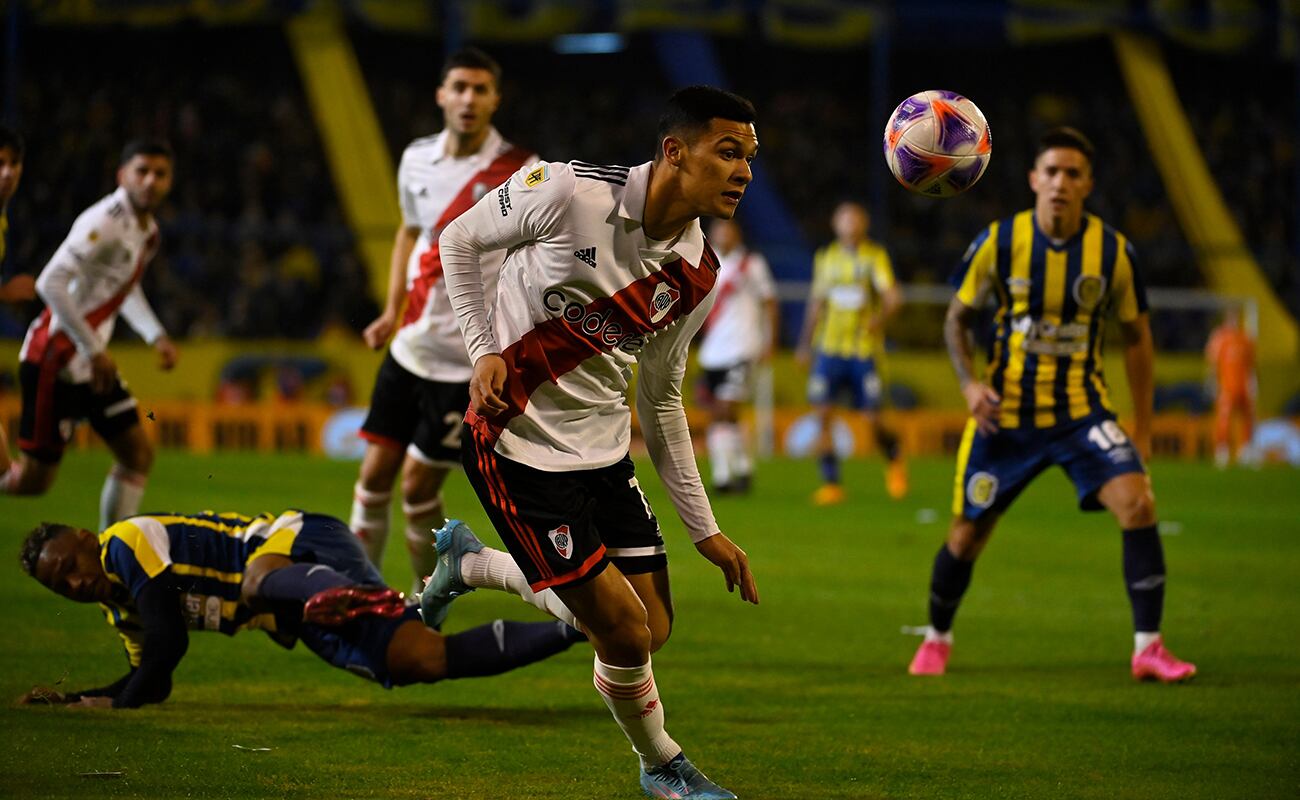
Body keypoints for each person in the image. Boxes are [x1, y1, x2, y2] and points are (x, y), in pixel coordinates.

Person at [436, 85, 761, 800]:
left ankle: (475, 565)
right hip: (515, 448)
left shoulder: (697, 272)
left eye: (750, 158)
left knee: (652, 628)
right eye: (728, 152)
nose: (743, 172)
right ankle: (662, 765)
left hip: (606, 455)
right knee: (622, 631)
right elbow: (458, 240)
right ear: (675, 152)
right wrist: (484, 349)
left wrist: (705, 529)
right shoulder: (566, 190)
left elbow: (662, 396)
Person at [907, 127, 1196, 683]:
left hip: (1082, 415)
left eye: (1073, 173)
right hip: (1005, 419)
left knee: (1138, 504)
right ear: (1034, 179)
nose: (1061, 182)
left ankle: (1149, 649)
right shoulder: (999, 241)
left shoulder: (1112, 252)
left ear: (1088, 185)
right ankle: (937, 637)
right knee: (966, 536)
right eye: (1052, 172)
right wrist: (969, 385)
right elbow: (956, 319)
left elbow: (1138, 338)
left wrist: (1142, 424)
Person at [17, 509, 583, 709]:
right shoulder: (123, 615)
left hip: (299, 540)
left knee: (254, 581)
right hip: (294, 610)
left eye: (70, 563)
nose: (73, 581)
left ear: (88, 539)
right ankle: (583, 628)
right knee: (416, 661)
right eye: (59, 583)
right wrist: (81, 699)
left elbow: (169, 644)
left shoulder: (124, 543)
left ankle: (361, 596)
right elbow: (153, 678)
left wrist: (116, 705)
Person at [351, 47, 536, 592]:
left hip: (464, 363)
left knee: (416, 488)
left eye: (481, 89)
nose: (469, 99)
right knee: (373, 479)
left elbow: (532, 256)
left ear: (496, 99)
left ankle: (422, 597)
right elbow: (409, 233)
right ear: (441, 94)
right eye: (459, 87)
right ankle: (364, 594)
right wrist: (389, 313)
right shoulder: (415, 159)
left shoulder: (522, 171)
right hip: (410, 348)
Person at [2, 140, 179, 529]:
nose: (150, 181)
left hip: (90, 362)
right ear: (122, 176)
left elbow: (123, 288)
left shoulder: (147, 233)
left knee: (138, 455)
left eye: (160, 174)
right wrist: (93, 347)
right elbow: (50, 283)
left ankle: (114, 565)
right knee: (29, 484)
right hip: (54, 358)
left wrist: (156, 335)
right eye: (142, 171)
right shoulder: (104, 221)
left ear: (170, 181)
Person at [796, 200, 907, 505]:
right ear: (835, 224)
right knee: (822, 414)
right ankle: (832, 483)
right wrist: (804, 345)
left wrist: (880, 318)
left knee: (872, 418)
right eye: (844, 218)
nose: (850, 224)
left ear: (864, 224)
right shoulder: (826, 257)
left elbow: (893, 296)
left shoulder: (874, 256)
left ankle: (894, 457)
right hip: (829, 349)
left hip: (863, 351)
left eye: (855, 219)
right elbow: (817, 302)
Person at [695, 217, 778, 494]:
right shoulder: (705, 264)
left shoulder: (751, 264)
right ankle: (742, 468)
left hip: (742, 347)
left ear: (737, 234)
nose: (723, 235)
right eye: (718, 231)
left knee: (724, 408)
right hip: (712, 352)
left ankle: (721, 477)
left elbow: (769, 302)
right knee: (722, 415)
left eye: (727, 230)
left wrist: (770, 341)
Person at [0, 125, 35, 474]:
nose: (7, 172)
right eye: (0, 162)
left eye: (14, 163)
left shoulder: (3, 219)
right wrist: (5, 292)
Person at [1205, 305, 1256, 468]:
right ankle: (1222, 451)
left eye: (1236, 317)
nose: (1233, 320)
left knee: (1247, 417)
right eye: (1230, 317)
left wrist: (1253, 382)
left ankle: (1245, 451)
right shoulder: (1219, 338)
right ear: (1226, 319)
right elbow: (1212, 362)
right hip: (1226, 386)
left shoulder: (1245, 338)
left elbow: (1251, 364)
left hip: (1243, 385)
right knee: (1224, 419)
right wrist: (1212, 381)